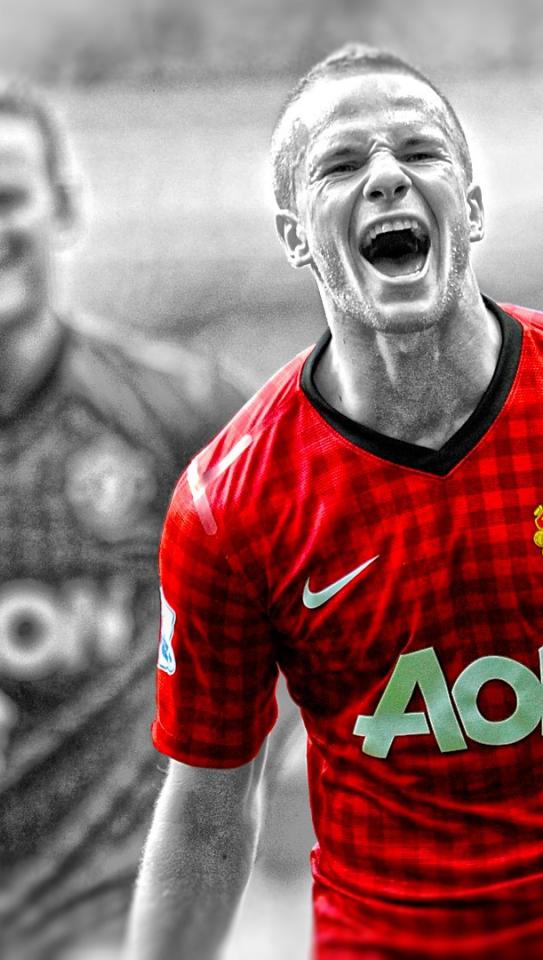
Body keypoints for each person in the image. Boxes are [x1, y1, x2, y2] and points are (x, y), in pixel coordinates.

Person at [125, 44, 543, 960]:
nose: (388, 176)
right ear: (294, 235)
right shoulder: (231, 505)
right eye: (340, 164)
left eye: (421, 150)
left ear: (471, 207)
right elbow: (207, 810)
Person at [0, 82, 248, 960]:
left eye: (9, 198)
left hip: (107, 930)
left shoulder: (179, 414)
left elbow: (313, 594)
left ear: (64, 207)